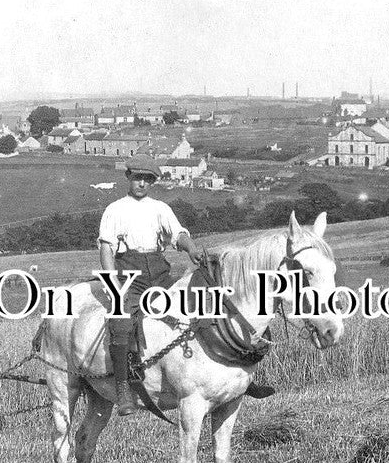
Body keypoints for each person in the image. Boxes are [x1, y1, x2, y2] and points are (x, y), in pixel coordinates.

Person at [98, 156, 273, 416]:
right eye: (138, 178)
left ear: (153, 182)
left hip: (158, 271)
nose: (142, 183)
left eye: (147, 179)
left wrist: (191, 248)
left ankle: (237, 379)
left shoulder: (159, 208)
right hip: (128, 274)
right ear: (129, 178)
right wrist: (111, 281)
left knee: (205, 302)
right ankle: (124, 389)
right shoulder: (115, 209)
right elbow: (106, 247)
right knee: (122, 322)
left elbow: (178, 234)